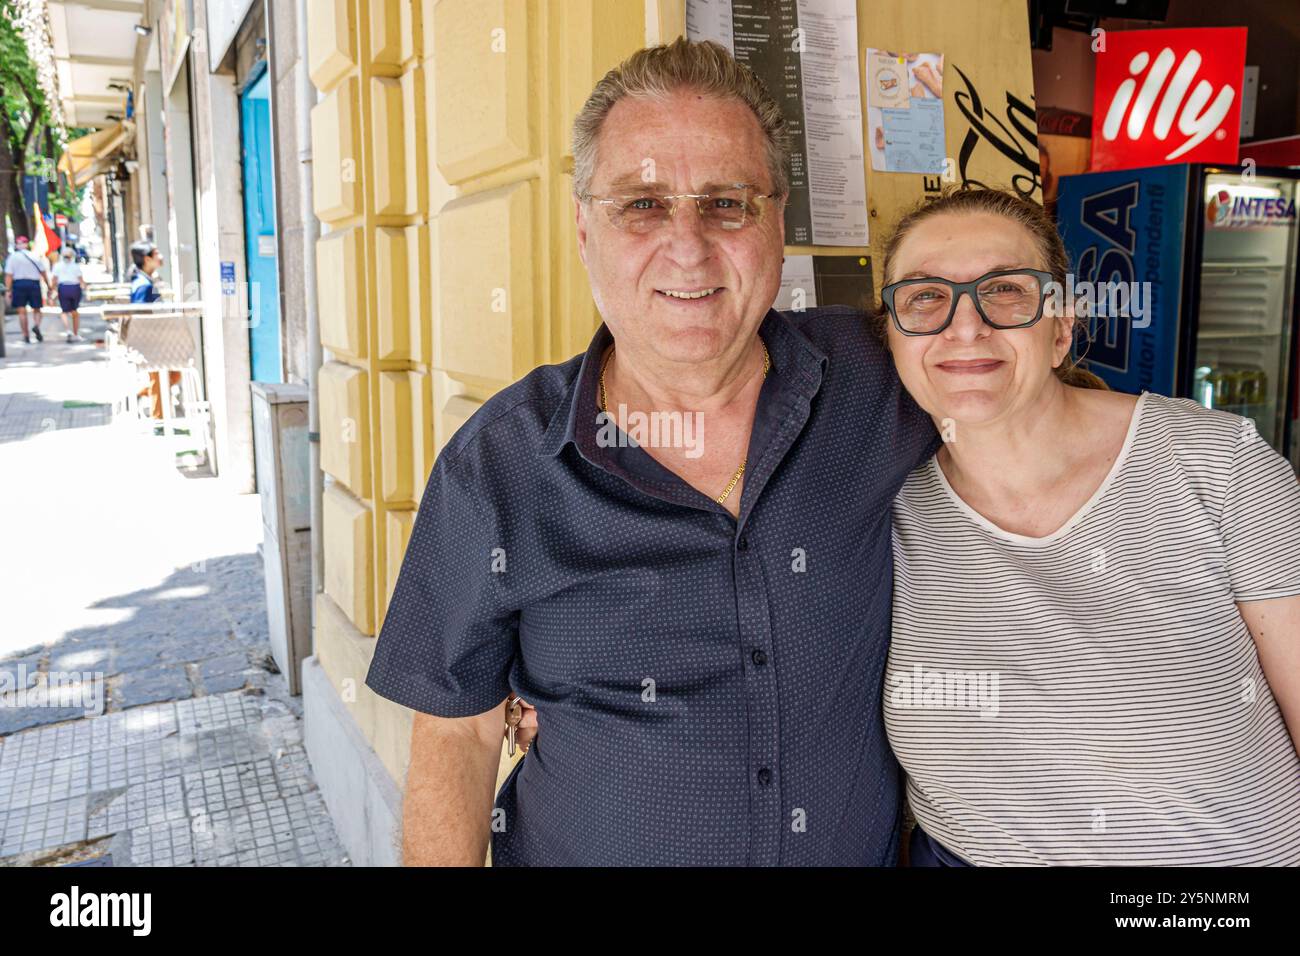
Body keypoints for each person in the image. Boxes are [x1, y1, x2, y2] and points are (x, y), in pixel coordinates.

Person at [364, 38, 937, 866]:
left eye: (726, 203)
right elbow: (457, 739)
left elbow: (1046, 408)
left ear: (778, 221)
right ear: (584, 225)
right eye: (642, 204)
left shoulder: (884, 379)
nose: (688, 247)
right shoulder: (497, 467)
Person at [876, 188, 1300, 866]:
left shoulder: (1220, 465)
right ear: (892, 336)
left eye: (1006, 291)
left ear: (1062, 329)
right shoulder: (885, 507)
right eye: (925, 297)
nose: (965, 327)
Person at [127, 240, 179, 418]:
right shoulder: (143, 285)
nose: (161, 256)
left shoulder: (147, 280)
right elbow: (140, 316)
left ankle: (138, 395)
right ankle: (159, 421)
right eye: (156, 253)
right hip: (153, 343)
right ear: (147, 259)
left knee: (172, 376)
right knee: (160, 377)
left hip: (157, 340)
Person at [4, 235, 49, 344]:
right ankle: (36, 325)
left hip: (19, 284)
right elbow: (43, 272)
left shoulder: (13, 257)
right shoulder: (34, 256)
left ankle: (26, 336)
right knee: (37, 309)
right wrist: (49, 285)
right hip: (34, 284)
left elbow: (9, 275)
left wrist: (8, 290)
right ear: (27, 244)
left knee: (22, 312)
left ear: (17, 244)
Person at [51, 245, 86, 342]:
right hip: (74, 288)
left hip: (63, 288)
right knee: (74, 311)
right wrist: (84, 288)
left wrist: (52, 290)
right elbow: (81, 280)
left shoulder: (57, 266)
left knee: (64, 311)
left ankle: (68, 330)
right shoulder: (75, 266)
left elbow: (54, 280)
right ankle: (75, 333)